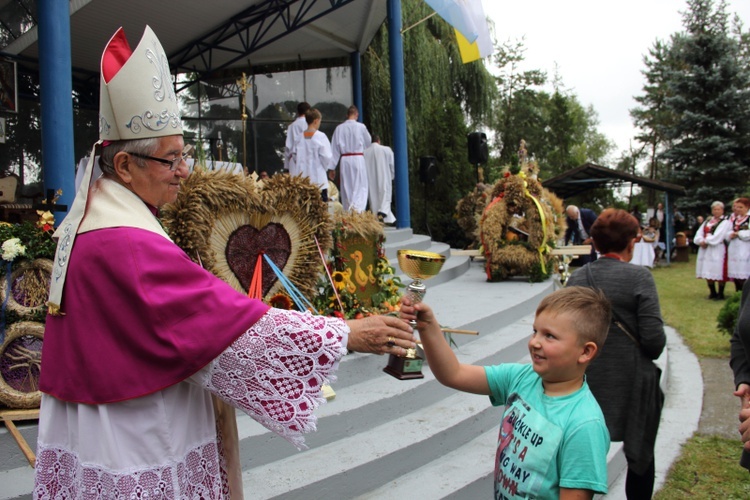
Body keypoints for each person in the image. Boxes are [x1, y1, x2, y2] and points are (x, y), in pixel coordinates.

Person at [34, 26, 415, 499]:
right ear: (125, 167)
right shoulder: (124, 241)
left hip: (103, 409)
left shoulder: (95, 217)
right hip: (134, 430)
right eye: (170, 161)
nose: (183, 171)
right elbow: (210, 320)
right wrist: (347, 334)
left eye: (184, 155)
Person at [400, 287, 611, 499]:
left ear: (585, 352)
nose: (535, 342)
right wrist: (427, 327)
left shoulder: (584, 426)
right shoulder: (522, 377)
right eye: (535, 331)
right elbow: (453, 374)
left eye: (550, 336)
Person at [566, 208, 667, 499]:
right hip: (633, 382)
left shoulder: (577, 278)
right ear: (631, 243)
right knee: (641, 457)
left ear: (595, 243)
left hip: (586, 381)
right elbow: (654, 342)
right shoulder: (639, 278)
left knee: (583, 454)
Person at [331, 105, 371, 212]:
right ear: (356, 115)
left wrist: (332, 167)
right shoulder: (361, 127)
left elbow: (334, 149)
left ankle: (349, 212)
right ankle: (358, 211)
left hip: (345, 160)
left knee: (347, 187)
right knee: (360, 186)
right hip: (358, 158)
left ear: (347, 115)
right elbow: (368, 142)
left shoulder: (339, 128)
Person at [291, 108, 333, 201]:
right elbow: (327, 156)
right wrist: (324, 167)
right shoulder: (321, 136)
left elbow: (294, 155)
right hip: (318, 180)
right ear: (316, 121)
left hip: (302, 180)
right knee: (320, 210)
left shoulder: (299, 137)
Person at [694, 201, 731, 300]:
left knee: (718, 269)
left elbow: (719, 235)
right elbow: (699, 233)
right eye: (714, 209)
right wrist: (700, 241)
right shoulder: (708, 221)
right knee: (707, 268)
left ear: (722, 210)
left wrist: (706, 241)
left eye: (718, 209)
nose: (716, 211)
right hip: (705, 249)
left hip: (717, 247)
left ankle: (721, 293)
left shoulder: (725, 222)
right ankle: (712, 292)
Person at [364, 134, 395, 224]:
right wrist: (392, 175)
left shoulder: (365, 152)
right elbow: (392, 164)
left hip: (371, 177)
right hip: (384, 174)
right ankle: (383, 212)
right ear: (379, 140)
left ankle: (376, 215)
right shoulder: (386, 150)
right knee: (384, 193)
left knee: (373, 195)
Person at [726, 198, 750, 293]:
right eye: (737, 207)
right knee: (735, 271)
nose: (738, 209)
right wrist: (730, 234)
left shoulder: (748, 218)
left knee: (744, 270)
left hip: (746, 247)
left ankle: (745, 293)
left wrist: (739, 233)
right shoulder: (734, 219)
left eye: (741, 207)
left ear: (747, 207)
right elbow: (726, 231)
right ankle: (738, 292)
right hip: (734, 247)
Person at [284, 101, 311, 176]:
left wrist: (286, 167)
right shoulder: (309, 125)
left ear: (298, 112)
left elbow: (287, 147)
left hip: (293, 161)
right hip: (307, 159)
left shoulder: (291, 126)